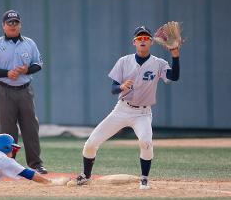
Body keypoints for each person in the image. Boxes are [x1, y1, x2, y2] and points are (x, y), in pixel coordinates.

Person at [70, 26, 180, 189]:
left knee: (145, 142)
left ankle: (144, 179)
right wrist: (121, 86)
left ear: (151, 42)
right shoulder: (124, 61)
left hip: (142, 113)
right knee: (91, 143)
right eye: (139, 38)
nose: (142, 40)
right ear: (134, 42)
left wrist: (175, 55)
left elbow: (174, 77)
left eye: (145, 38)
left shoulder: (158, 63)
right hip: (122, 109)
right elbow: (113, 89)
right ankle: (86, 176)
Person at [0, 10, 47, 174]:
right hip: (4, 91)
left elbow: (38, 64)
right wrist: (6, 73)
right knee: (6, 130)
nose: (13, 26)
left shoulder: (29, 44)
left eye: (15, 23)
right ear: (3, 26)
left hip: (25, 90)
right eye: (9, 23)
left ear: (20, 25)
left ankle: (35, 164)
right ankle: (7, 165)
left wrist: (26, 70)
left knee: (30, 128)